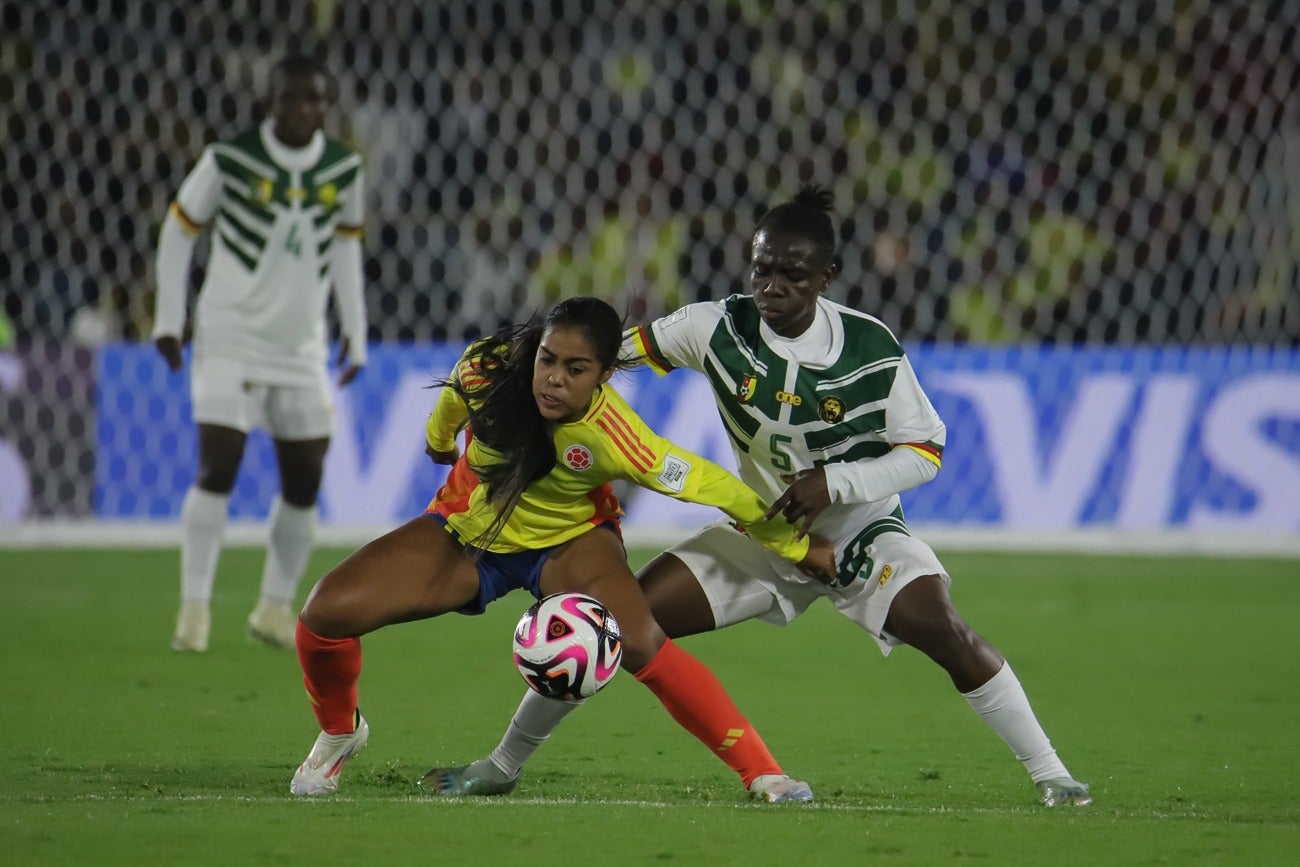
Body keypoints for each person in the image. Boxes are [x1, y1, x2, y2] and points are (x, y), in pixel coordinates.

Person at [427, 186, 1093, 808]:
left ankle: (1053, 775)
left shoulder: (870, 349)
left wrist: (834, 483)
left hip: (859, 533)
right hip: (765, 534)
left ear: (826, 278)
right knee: (608, 621)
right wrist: (518, 367)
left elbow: (926, 450)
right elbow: (605, 355)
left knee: (941, 625)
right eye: (761, 269)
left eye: (793, 276)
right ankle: (503, 764)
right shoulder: (714, 327)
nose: (771, 287)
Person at [289, 296, 836, 802]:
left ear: (604, 375)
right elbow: (453, 401)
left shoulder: (618, 435)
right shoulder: (490, 368)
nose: (553, 380)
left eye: (575, 371)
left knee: (641, 641)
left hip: (571, 542)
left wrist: (792, 544)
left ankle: (764, 772)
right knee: (323, 615)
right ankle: (341, 733)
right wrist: (438, 443)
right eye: (547, 360)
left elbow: (712, 484)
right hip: (467, 536)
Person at [152, 54, 367, 653]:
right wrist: (169, 318)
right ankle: (192, 612)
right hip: (228, 336)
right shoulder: (228, 161)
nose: (303, 110)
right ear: (271, 101)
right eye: (292, 99)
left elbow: (346, 250)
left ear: (327, 105)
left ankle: (274, 607)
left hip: (300, 347)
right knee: (218, 463)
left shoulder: (344, 169)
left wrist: (356, 328)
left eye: (315, 100)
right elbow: (177, 231)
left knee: (306, 475)